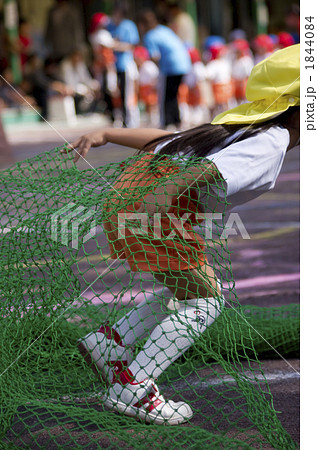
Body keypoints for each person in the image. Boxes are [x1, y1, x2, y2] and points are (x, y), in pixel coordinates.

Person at [64, 44, 300, 425]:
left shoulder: (245, 125)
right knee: (206, 303)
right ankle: (133, 386)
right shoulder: (270, 145)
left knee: (188, 289)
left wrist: (108, 132)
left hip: (137, 198)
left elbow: (172, 140)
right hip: (160, 211)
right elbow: (204, 172)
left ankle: (111, 343)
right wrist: (161, 199)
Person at [136, 9, 191, 130]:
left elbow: (155, 56)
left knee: (166, 95)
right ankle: (176, 120)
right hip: (184, 63)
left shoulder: (149, 36)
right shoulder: (163, 29)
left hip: (170, 66)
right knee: (173, 94)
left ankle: (167, 122)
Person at [107, 1, 140, 128]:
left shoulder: (128, 25)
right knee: (114, 93)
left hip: (125, 65)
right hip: (112, 65)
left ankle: (129, 120)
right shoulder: (110, 25)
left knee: (127, 94)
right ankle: (117, 117)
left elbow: (132, 45)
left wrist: (116, 46)